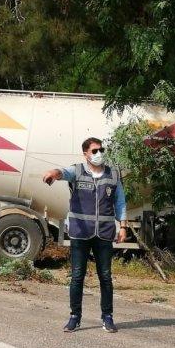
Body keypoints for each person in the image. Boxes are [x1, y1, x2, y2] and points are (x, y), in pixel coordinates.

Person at [43, 137, 126, 332]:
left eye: (101, 150)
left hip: (104, 234)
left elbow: (120, 202)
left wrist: (123, 226)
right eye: (95, 151)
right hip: (80, 233)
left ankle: (107, 317)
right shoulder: (77, 171)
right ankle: (75, 317)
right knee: (77, 276)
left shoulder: (113, 175)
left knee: (105, 277)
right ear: (86, 154)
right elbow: (62, 173)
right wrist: (53, 174)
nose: (99, 154)